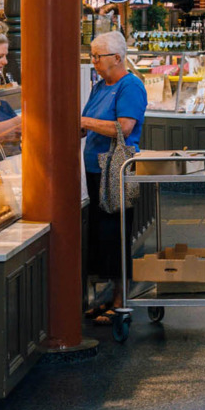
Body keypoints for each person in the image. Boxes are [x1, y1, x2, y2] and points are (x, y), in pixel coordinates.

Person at [81, 31, 146, 321]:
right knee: (100, 237)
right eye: (91, 56)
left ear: (117, 58)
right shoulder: (99, 86)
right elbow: (88, 123)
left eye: (98, 56)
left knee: (115, 233)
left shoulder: (130, 86)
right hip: (95, 170)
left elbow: (124, 128)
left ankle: (121, 301)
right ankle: (107, 298)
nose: (93, 61)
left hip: (116, 171)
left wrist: (82, 121)